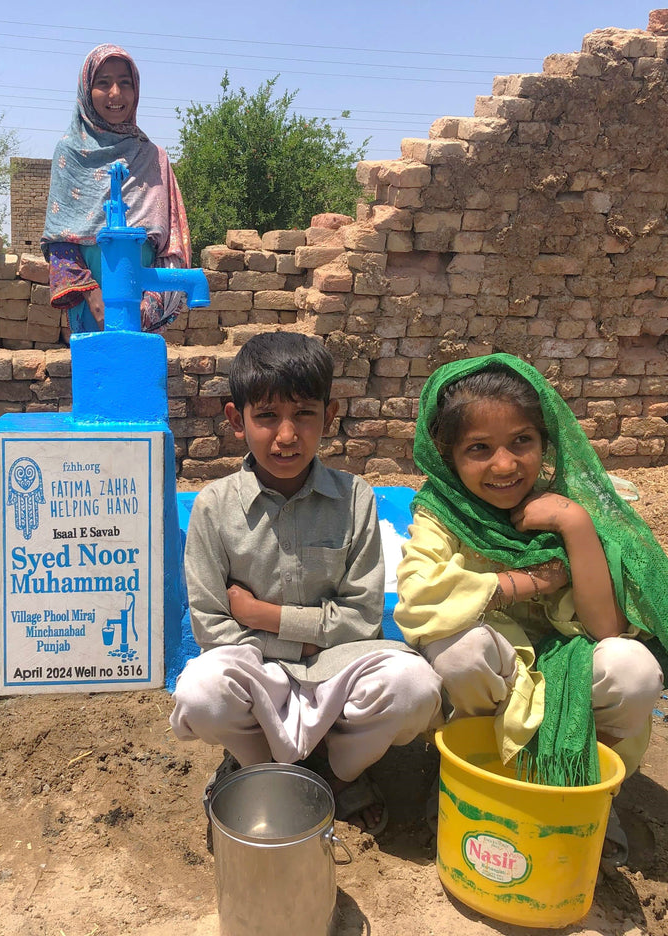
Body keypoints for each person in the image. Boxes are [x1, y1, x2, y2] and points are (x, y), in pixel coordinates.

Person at [394, 353, 668, 866]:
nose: (505, 464)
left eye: (522, 441)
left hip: (568, 669)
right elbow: (418, 599)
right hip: (495, 682)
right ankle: (470, 768)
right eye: (479, 448)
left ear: (545, 441)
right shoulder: (441, 513)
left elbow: (606, 628)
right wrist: (528, 581)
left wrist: (575, 525)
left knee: (634, 669)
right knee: (460, 650)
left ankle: (583, 781)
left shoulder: (566, 505)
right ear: (446, 454)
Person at [170, 332, 443, 837]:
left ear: (330, 416)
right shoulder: (214, 507)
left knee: (415, 687)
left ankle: (338, 774)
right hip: (256, 667)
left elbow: (362, 619)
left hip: (335, 668)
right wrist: (303, 635)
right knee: (203, 693)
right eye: (268, 416)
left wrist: (263, 615)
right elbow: (211, 629)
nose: (287, 435)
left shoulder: (355, 499)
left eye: (304, 415)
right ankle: (262, 768)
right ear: (236, 420)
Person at [41, 43, 191, 338]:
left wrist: (148, 306)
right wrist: (97, 303)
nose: (115, 94)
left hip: (145, 304)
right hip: (90, 306)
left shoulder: (153, 158)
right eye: (103, 83)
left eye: (125, 83)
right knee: (96, 379)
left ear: (136, 90)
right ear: (86, 89)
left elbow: (172, 245)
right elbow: (59, 242)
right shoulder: (69, 153)